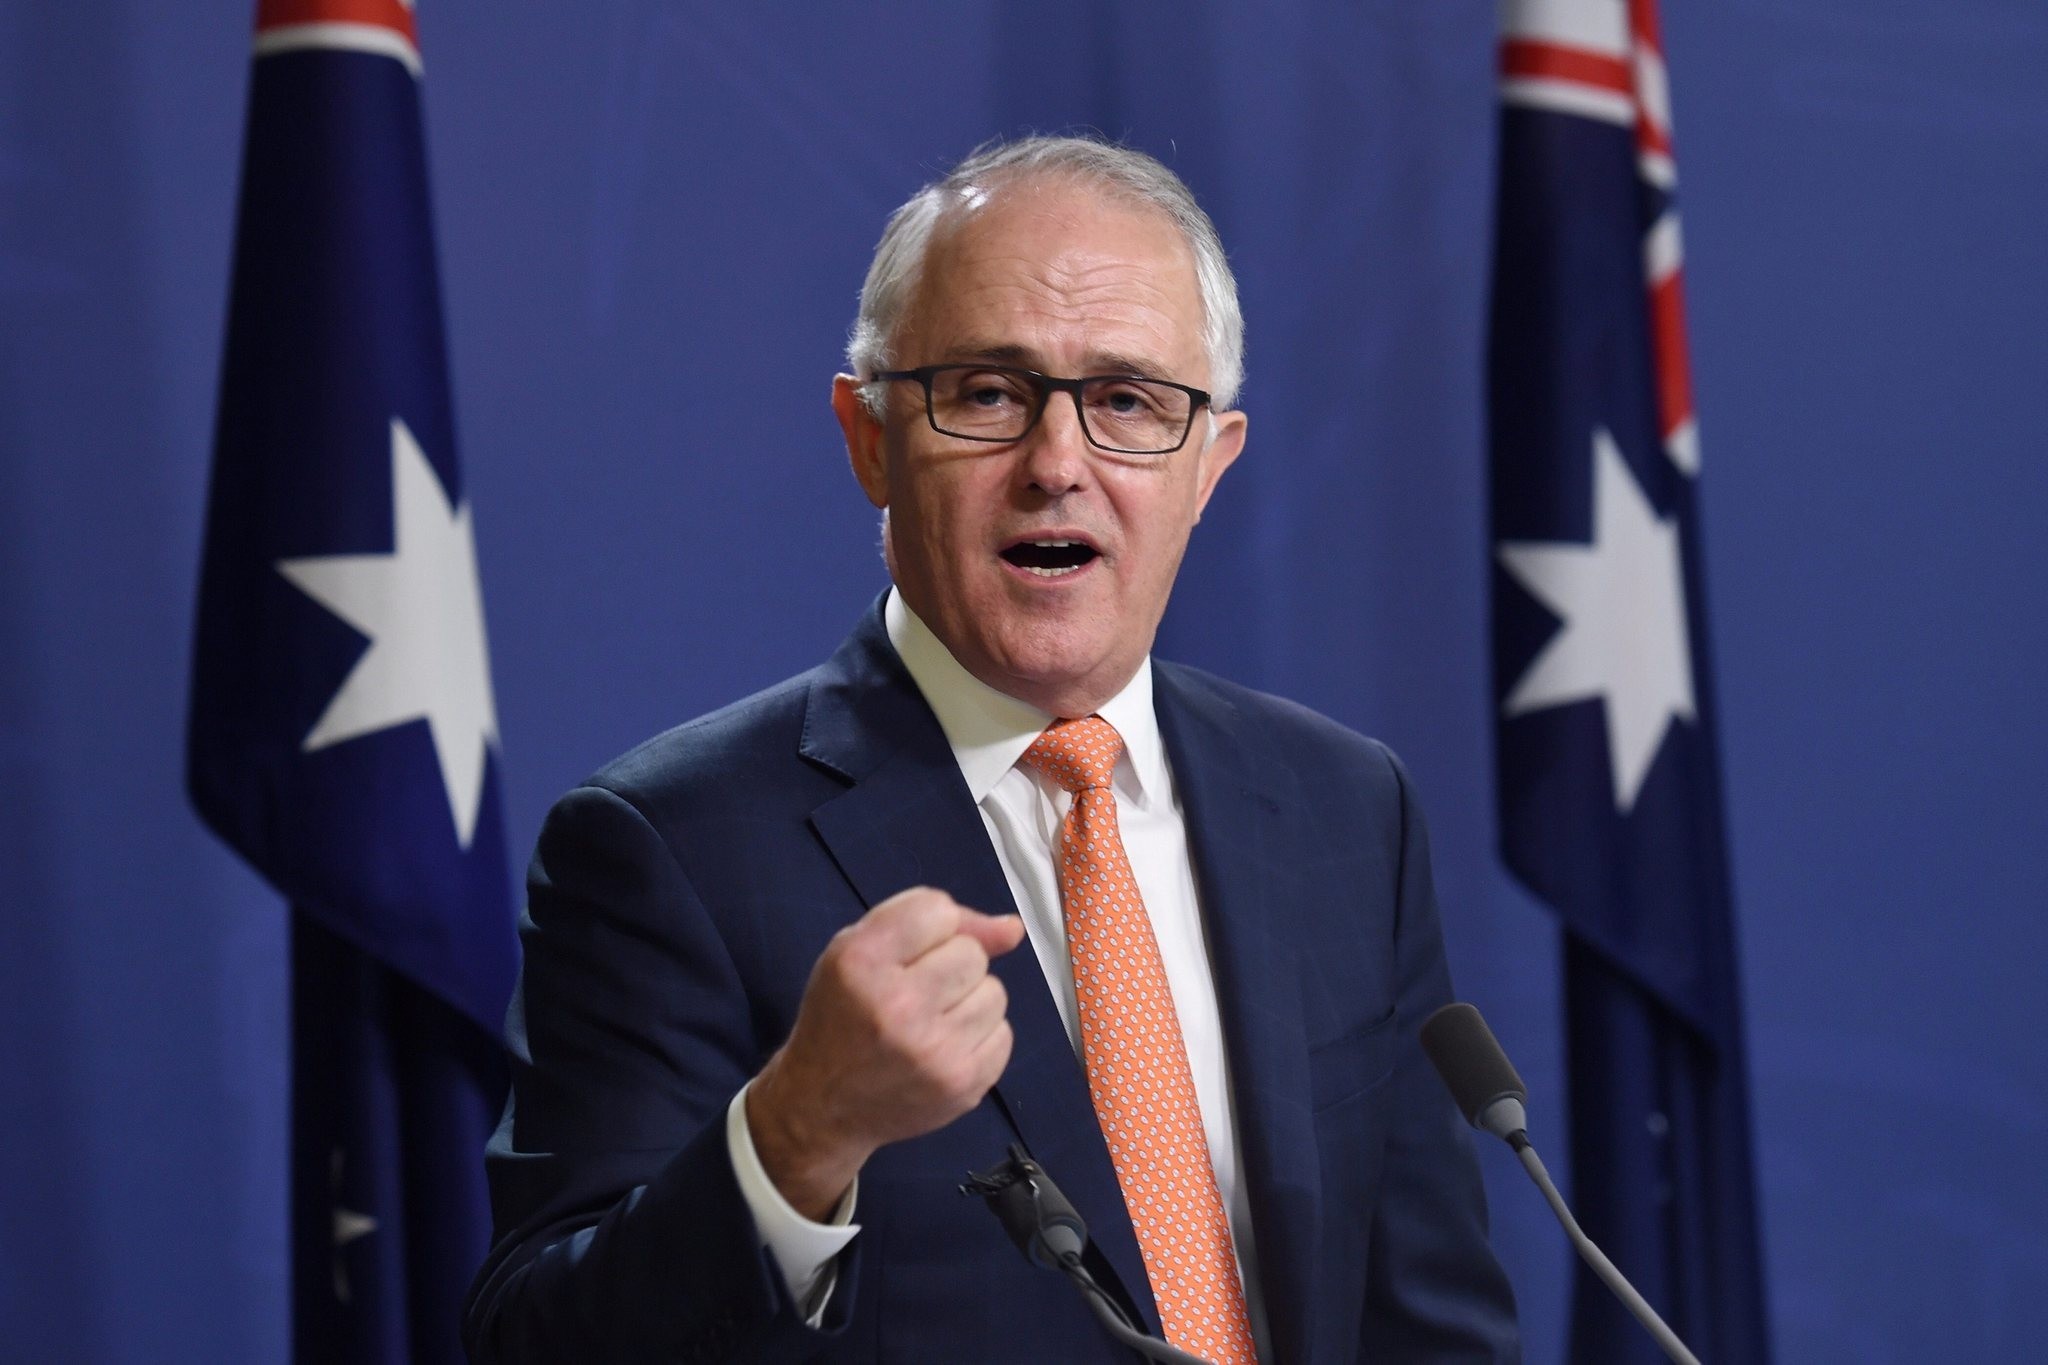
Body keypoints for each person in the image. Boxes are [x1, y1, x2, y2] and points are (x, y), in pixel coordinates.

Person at [464, 135, 1519, 1364]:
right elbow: (539, 1345)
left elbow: (1427, 1323)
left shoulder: (1345, 808)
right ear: (867, 437)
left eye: (1126, 401)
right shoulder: (666, 846)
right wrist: (795, 1139)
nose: (1057, 466)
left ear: (1208, 466)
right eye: (985, 393)